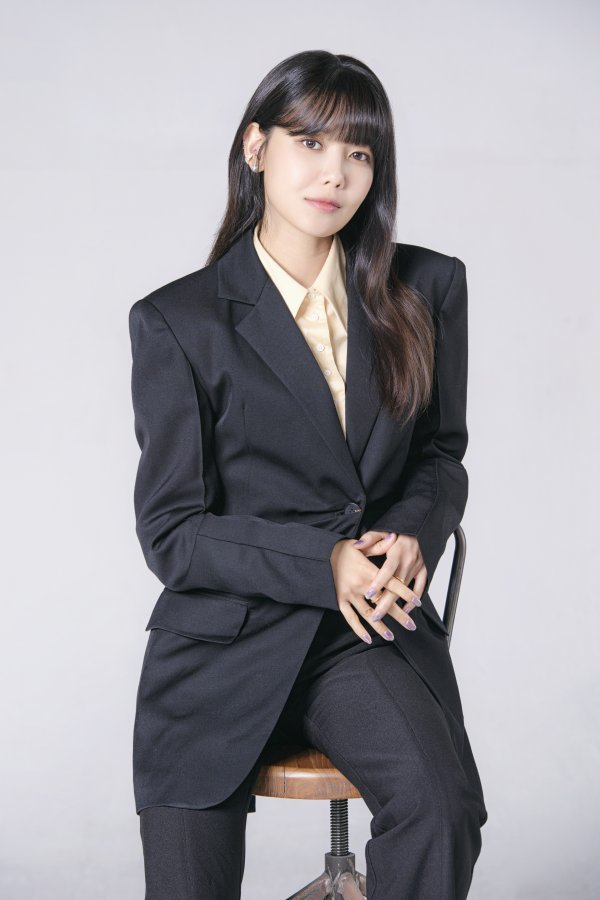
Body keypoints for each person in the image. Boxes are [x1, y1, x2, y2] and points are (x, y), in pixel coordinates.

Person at [129, 49, 488, 899]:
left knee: (439, 809)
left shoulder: (426, 288)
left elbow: (441, 455)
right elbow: (173, 533)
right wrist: (320, 561)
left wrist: (415, 531)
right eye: (312, 143)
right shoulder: (178, 321)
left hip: (357, 637)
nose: (336, 173)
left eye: (359, 153)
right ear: (256, 147)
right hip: (220, 643)